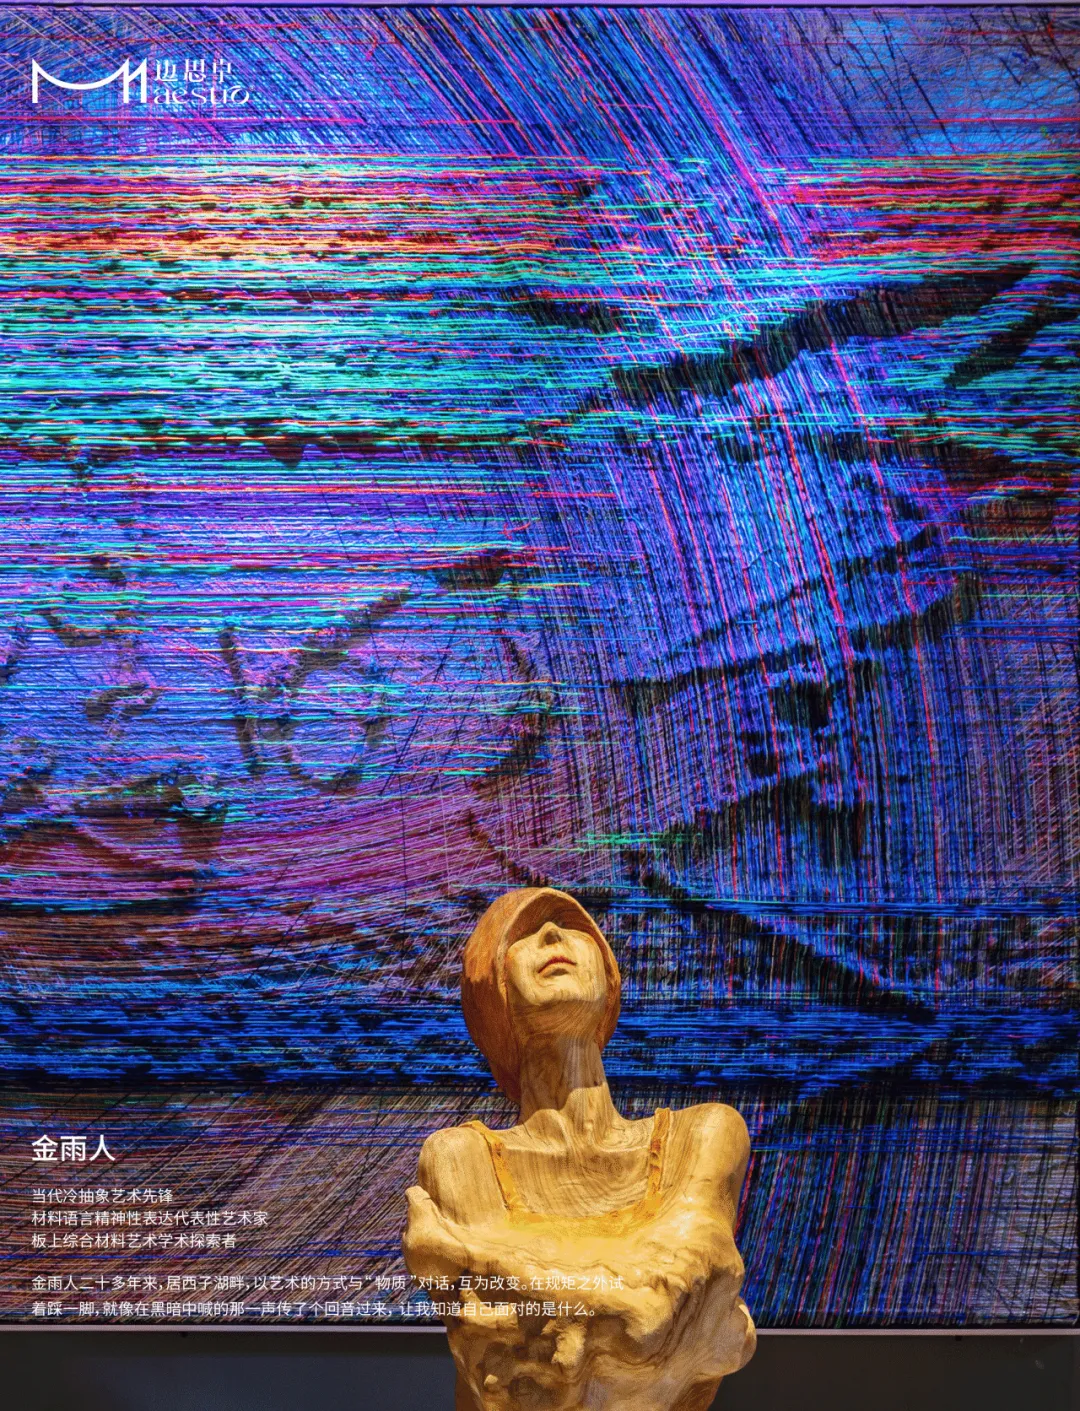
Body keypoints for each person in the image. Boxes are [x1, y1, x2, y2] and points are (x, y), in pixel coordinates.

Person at [403, 886, 755, 1411]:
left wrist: (475, 1257)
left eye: (574, 927)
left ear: (609, 983)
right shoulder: (461, 1158)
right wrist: (621, 1300)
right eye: (523, 934)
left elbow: (658, 1310)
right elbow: (515, 1377)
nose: (552, 935)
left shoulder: (703, 1136)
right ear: (492, 990)